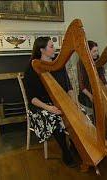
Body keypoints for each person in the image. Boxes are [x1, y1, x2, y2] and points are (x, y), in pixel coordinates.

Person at [24, 37, 77, 167]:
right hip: (40, 106)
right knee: (55, 117)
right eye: (51, 46)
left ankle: (76, 145)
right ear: (42, 50)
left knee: (77, 112)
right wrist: (49, 108)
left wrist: (73, 100)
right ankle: (65, 152)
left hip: (59, 101)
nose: (55, 48)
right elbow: (32, 98)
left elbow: (68, 86)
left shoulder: (57, 64)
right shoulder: (31, 69)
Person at [77, 40, 107, 114]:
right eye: (94, 51)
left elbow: (103, 79)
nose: (96, 53)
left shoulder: (99, 60)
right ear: (88, 51)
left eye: (97, 51)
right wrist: (90, 96)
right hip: (86, 94)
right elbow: (81, 85)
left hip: (99, 91)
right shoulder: (81, 63)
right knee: (98, 106)